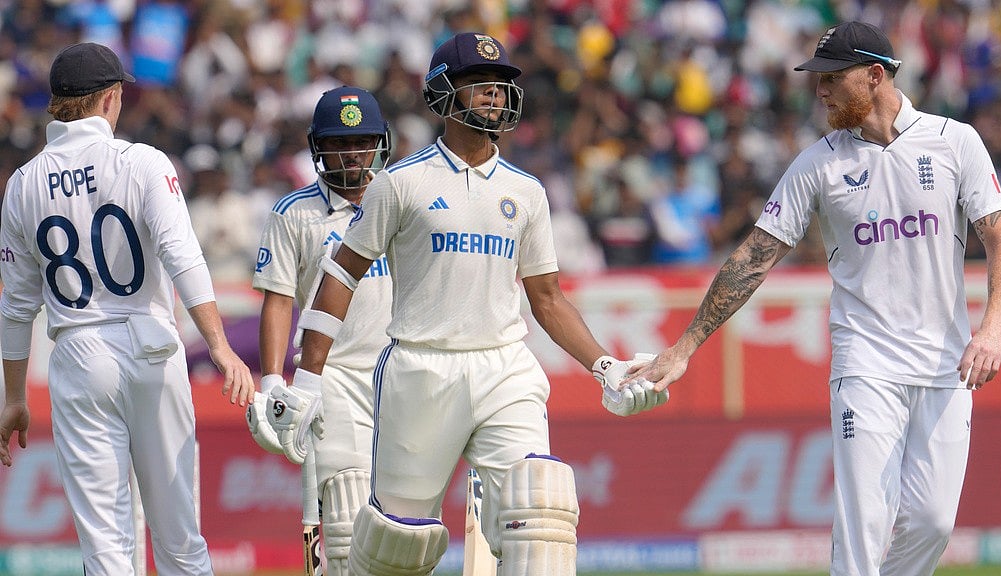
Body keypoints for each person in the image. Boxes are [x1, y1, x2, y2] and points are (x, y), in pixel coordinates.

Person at [267, 32, 668, 576]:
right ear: (441, 96)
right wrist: (308, 379)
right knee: (395, 549)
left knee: (540, 508)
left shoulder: (527, 191)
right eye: (477, 86)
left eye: (499, 86)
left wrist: (605, 366)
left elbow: (547, 298)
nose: (493, 97)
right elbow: (341, 276)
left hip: (505, 367)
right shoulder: (401, 183)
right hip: (419, 368)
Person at [628, 21, 1001, 576]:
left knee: (932, 523)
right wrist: (685, 346)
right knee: (864, 524)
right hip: (865, 364)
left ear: (875, 75)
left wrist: (992, 329)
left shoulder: (955, 141)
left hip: (945, 366)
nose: (821, 91)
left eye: (833, 78)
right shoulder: (818, 163)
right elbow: (753, 257)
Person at [0, 42, 255, 574]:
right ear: (111, 98)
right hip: (152, 349)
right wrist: (219, 346)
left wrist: (14, 397)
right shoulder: (142, 162)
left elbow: (17, 307)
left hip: (76, 356)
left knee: (107, 550)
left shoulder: (22, 184)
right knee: (181, 542)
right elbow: (183, 256)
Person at [247, 85, 394, 576]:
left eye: (362, 141)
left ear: (379, 143)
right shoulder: (295, 214)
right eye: (338, 143)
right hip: (330, 377)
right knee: (349, 521)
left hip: (401, 372)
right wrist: (272, 381)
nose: (352, 154)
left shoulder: (401, 201)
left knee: (405, 525)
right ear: (318, 147)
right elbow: (278, 300)